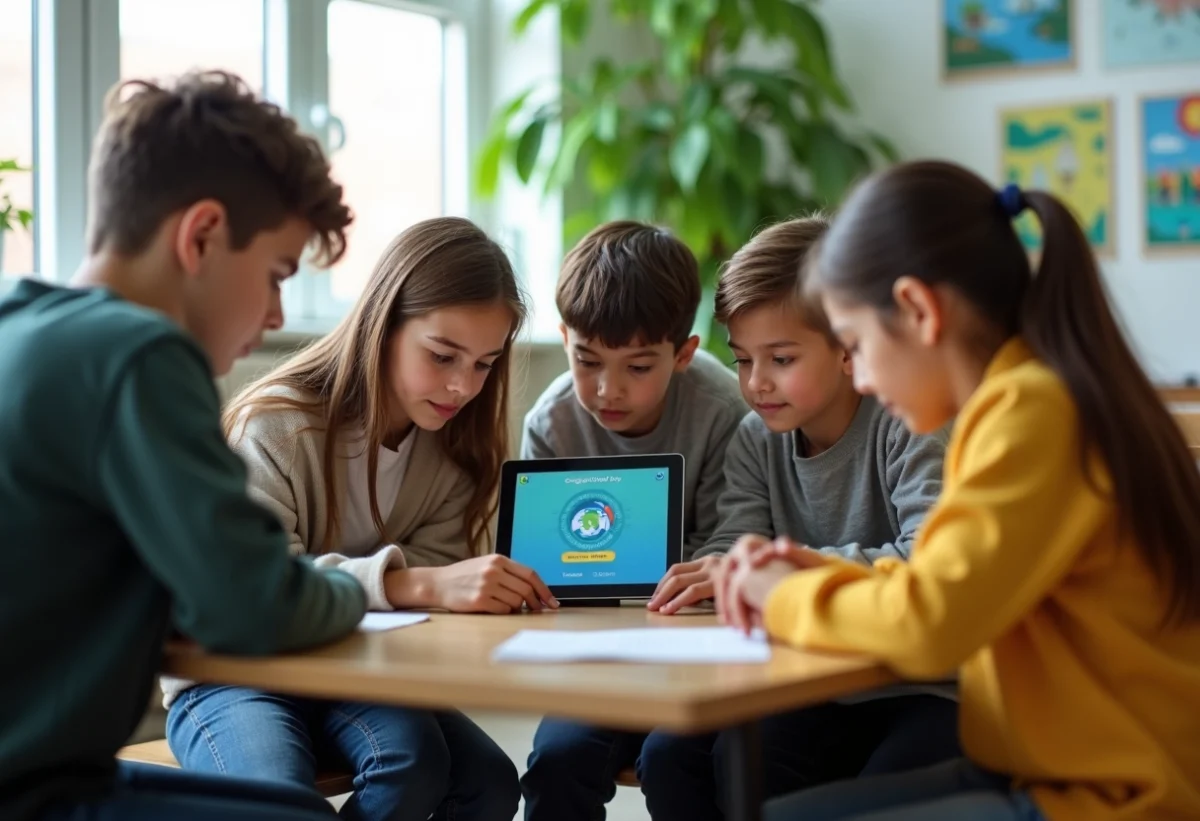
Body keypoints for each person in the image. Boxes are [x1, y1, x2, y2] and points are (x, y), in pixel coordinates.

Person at [716, 161, 1200, 821]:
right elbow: (949, 580)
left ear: (919, 311)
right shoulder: (1019, 398)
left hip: (1109, 795)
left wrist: (783, 596)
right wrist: (820, 571)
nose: (861, 378)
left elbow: (931, 625)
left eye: (857, 344)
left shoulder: (1032, 412)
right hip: (1041, 766)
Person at [0, 71, 366, 821]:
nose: (275, 316)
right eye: (275, 274)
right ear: (201, 235)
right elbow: (253, 603)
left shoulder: (19, 325)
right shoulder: (139, 355)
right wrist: (356, 591)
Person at [165, 217, 542, 821]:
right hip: (239, 667)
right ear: (383, 325)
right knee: (279, 802)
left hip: (355, 670)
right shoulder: (276, 425)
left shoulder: (455, 450)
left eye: (483, 364)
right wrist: (407, 583)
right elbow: (258, 588)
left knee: (481, 782)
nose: (462, 386)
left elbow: (438, 589)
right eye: (442, 355)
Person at [640, 217, 956, 821]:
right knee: (673, 755)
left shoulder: (908, 422)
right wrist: (719, 567)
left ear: (848, 348)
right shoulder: (755, 438)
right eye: (742, 360)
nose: (756, 383)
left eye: (781, 359)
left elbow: (931, 560)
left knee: (875, 790)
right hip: (811, 682)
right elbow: (736, 540)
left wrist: (787, 571)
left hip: (925, 685)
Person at [519, 220, 745, 821]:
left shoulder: (724, 412)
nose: (606, 390)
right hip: (599, 657)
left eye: (638, 368)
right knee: (556, 761)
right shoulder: (550, 424)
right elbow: (546, 570)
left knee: (676, 763)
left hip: (699, 651)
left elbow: (731, 543)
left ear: (684, 353)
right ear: (564, 338)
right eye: (586, 360)